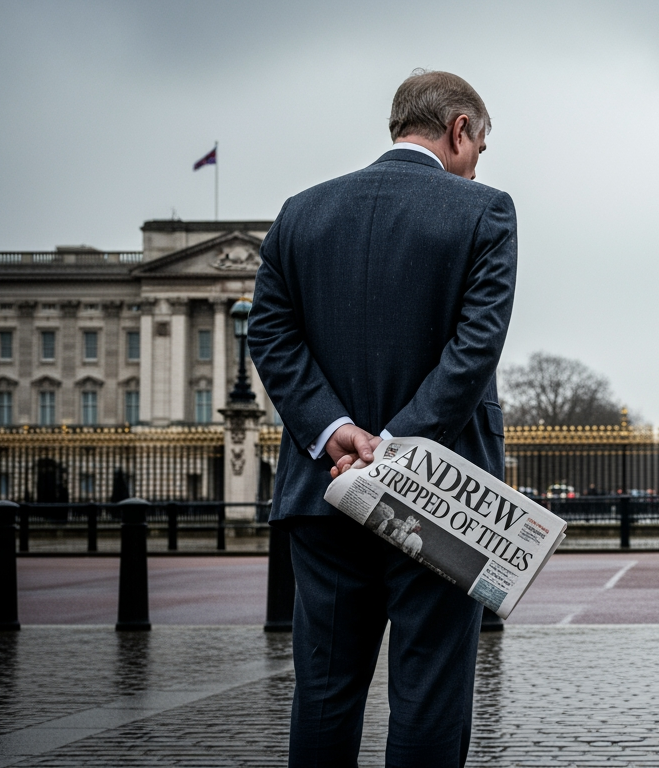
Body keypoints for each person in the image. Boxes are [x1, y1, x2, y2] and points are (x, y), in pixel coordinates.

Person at [249, 69, 516, 768]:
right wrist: (396, 451)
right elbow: (473, 352)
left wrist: (338, 431)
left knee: (326, 693)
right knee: (429, 693)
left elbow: (270, 337)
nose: (476, 165)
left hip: (322, 486)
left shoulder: (299, 213)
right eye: (479, 148)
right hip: (440, 496)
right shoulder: (484, 212)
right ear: (460, 129)